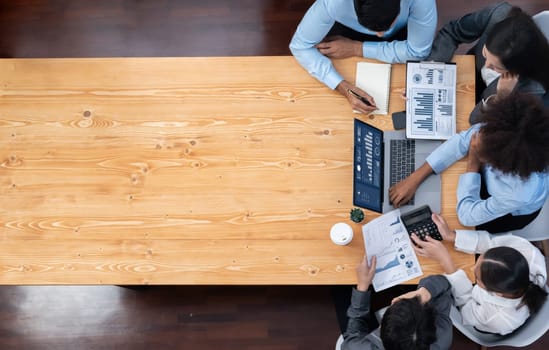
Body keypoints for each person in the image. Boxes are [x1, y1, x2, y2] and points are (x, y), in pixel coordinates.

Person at [389, 92, 549, 233]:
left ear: (498, 163)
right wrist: (414, 178)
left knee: (452, 221)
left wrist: (473, 162)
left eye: (485, 152)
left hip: (508, 211)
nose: (478, 139)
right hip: (493, 175)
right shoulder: (504, 128)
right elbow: (463, 141)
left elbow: (466, 216)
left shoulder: (519, 192)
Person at [289, 0, 437, 114]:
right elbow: (300, 46)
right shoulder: (334, 3)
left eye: (385, 28)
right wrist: (343, 87)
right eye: (375, 30)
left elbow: (418, 51)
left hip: (402, 36)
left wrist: (356, 48)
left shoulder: (421, 2)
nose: (380, 36)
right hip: (345, 33)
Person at [411, 213, 548, 335]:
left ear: (496, 293)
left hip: (483, 323)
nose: (471, 269)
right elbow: (489, 242)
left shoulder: (496, 318)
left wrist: (445, 260)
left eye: (477, 278)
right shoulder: (528, 251)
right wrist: (452, 236)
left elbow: (466, 306)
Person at [427, 3, 549, 124]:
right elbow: (452, 31)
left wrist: (501, 97)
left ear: (515, 70)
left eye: (496, 67)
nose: (486, 65)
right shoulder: (498, 14)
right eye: (485, 53)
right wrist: (435, 65)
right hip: (467, 77)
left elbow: (476, 120)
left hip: (489, 105)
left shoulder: (532, 90)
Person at [341, 255, 453, 349]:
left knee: (341, 293)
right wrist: (424, 292)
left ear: (381, 331)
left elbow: (353, 334)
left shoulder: (356, 347)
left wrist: (362, 286)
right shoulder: (442, 338)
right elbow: (445, 285)